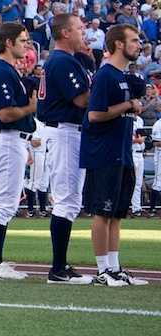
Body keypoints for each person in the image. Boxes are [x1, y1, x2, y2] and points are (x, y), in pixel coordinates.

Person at [81, 24, 148, 286]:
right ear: (118, 44)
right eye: (133, 40)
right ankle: (102, 270)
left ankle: (114, 266)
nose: (138, 44)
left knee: (117, 213)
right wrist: (129, 105)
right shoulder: (106, 75)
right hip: (104, 152)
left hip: (122, 151)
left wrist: (131, 107)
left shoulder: (122, 75)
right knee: (102, 212)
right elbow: (95, 114)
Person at [37, 13, 94, 284]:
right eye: (79, 28)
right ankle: (57, 268)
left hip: (66, 131)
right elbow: (82, 99)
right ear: (64, 33)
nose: (84, 32)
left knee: (70, 200)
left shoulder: (64, 60)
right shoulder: (62, 60)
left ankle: (61, 265)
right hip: (64, 131)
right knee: (66, 200)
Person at [0, 22, 36, 281]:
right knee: (5, 201)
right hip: (6, 138)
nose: (27, 44)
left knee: (9, 200)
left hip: (13, 140)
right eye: (23, 40)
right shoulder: (1, 72)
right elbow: (5, 113)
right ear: (8, 43)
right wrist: (30, 108)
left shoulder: (9, 70)